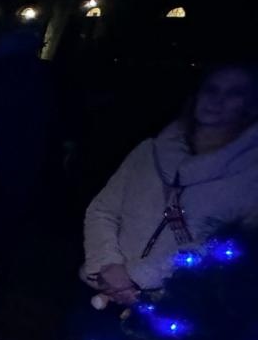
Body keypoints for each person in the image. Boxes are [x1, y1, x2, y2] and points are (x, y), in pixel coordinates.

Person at [82, 65, 258, 304]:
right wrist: (107, 267)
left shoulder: (249, 178)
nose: (217, 100)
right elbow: (103, 211)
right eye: (211, 89)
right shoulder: (150, 153)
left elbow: (226, 245)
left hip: (178, 307)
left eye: (234, 93)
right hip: (104, 293)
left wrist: (137, 276)